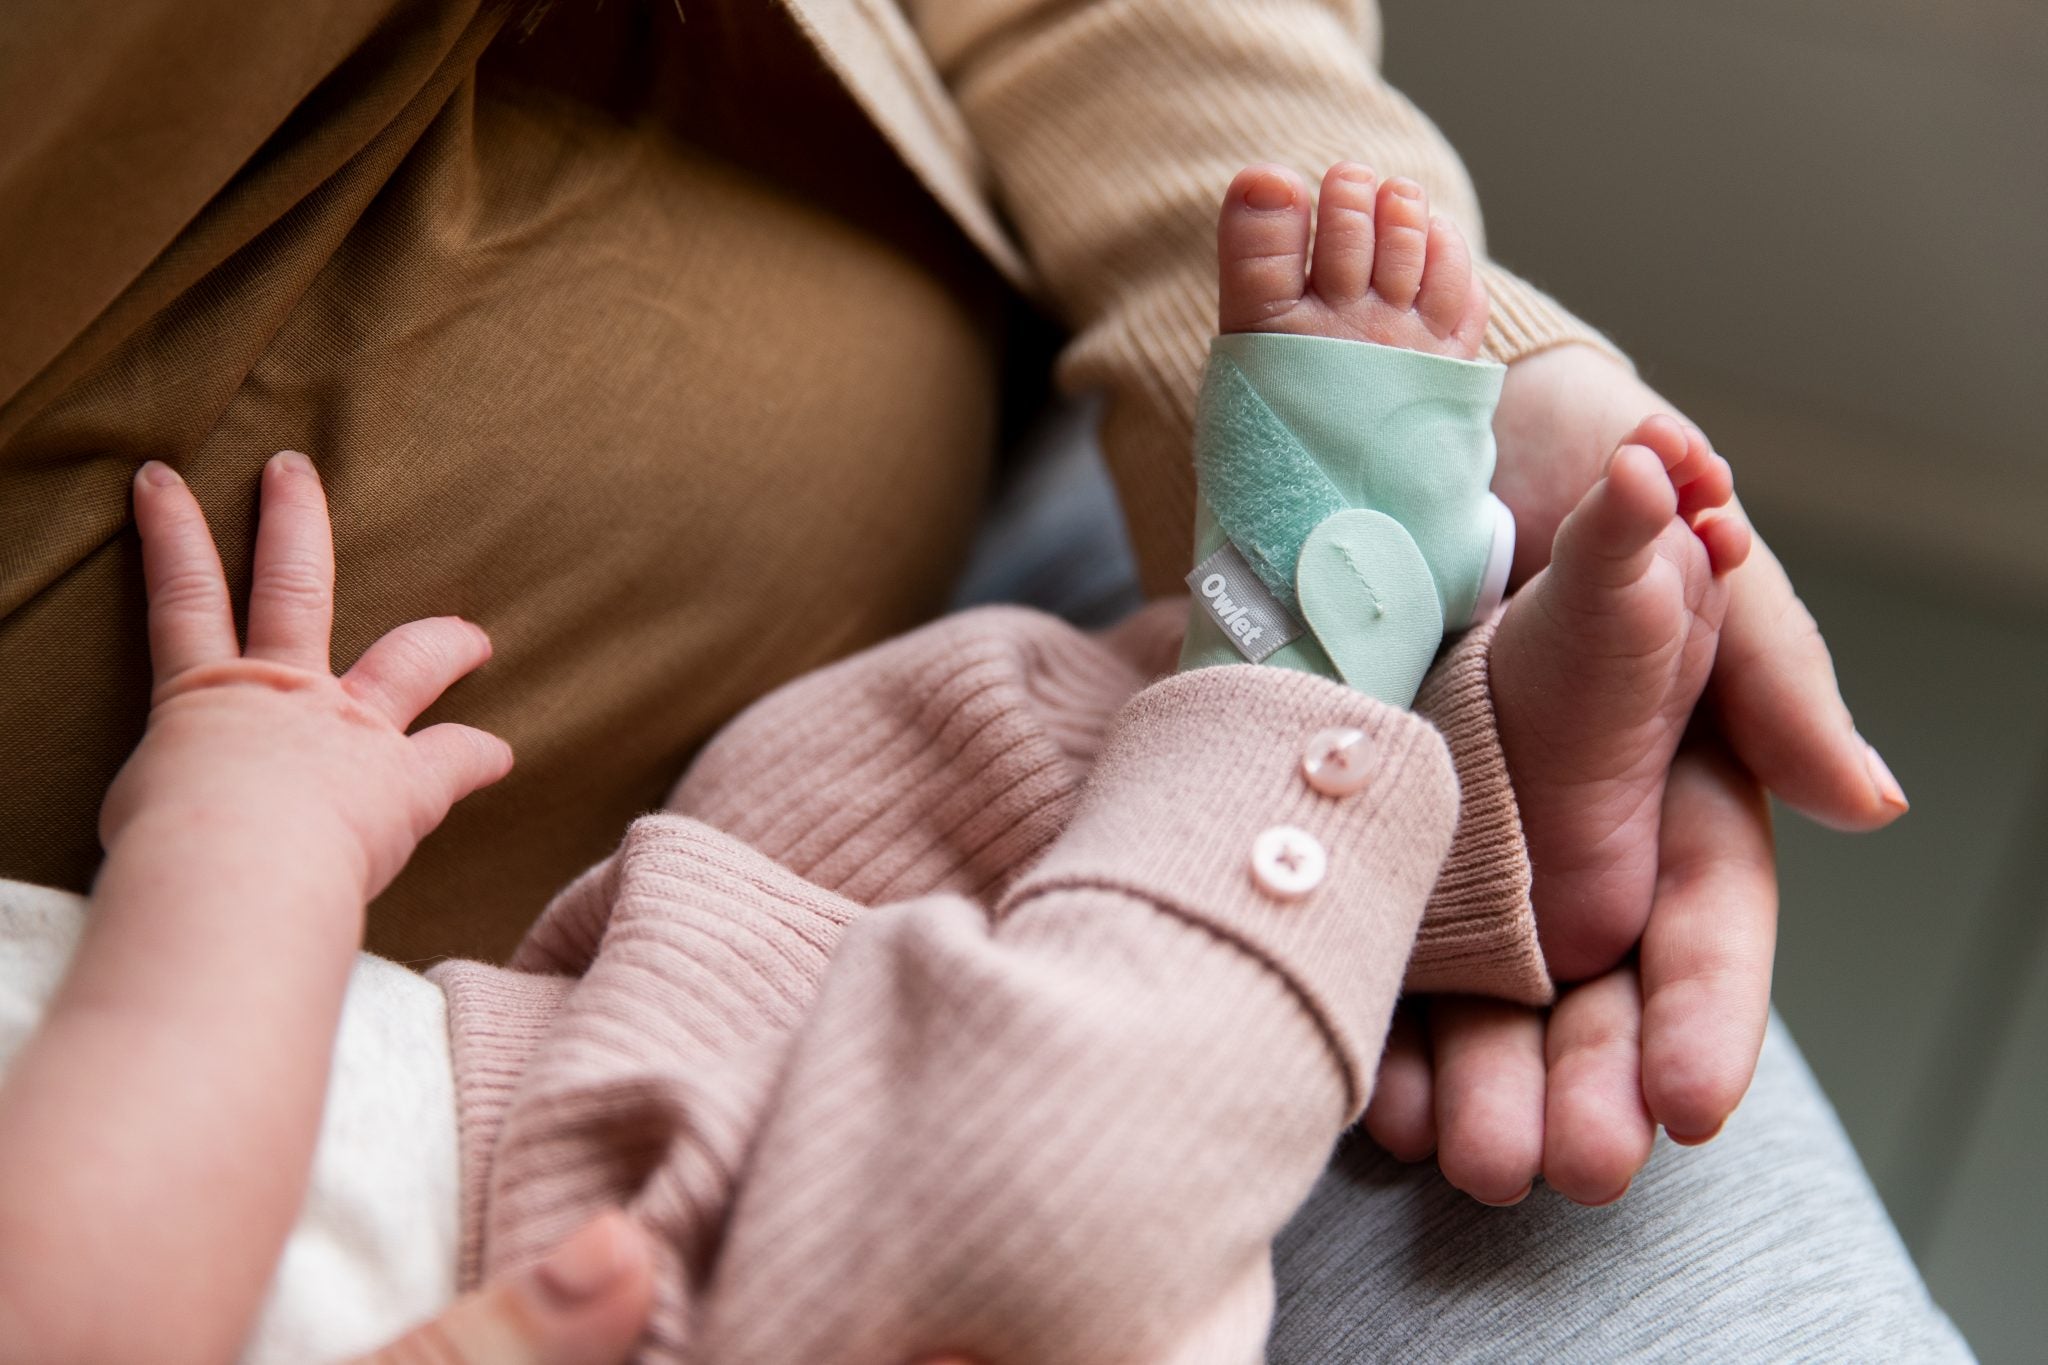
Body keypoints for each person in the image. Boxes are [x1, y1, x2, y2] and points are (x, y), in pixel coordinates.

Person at [0, 0, 1932, 1356]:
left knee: (937, 761)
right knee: (1048, 1161)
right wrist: (235, 858)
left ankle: (1427, 744)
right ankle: (1339, 696)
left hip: (616, 951)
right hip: (629, 1246)